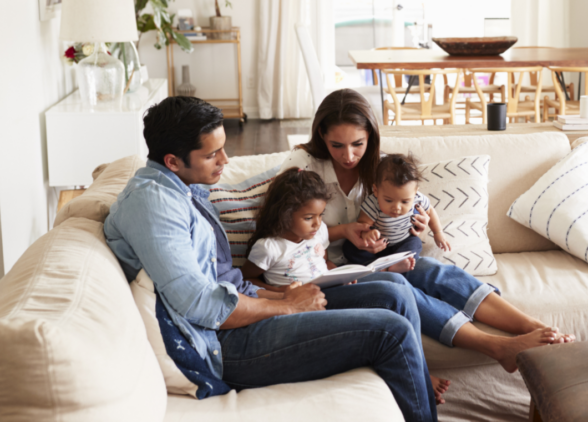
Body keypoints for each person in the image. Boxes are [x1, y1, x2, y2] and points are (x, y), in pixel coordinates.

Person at [103, 96, 437, 421]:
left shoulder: (183, 188)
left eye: (222, 148)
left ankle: (417, 382)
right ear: (173, 161)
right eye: (212, 154)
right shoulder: (153, 205)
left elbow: (225, 280)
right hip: (224, 344)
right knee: (390, 332)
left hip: (244, 310)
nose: (225, 160)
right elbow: (201, 304)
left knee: (393, 288)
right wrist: (288, 305)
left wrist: (283, 293)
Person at [272, 89, 575, 373]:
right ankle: (498, 347)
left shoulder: (380, 169)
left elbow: (411, 207)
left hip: (377, 258)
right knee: (402, 289)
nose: (349, 156)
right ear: (321, 134)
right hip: (329, 271)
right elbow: (283, 226)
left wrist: (415, 227)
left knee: (433, 270)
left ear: (371, 137)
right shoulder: (303, 164)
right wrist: (344, 231)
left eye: (358, 144)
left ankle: (532, 326)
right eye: (337, 145)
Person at [239, 167, 451, 402]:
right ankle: (417, 376)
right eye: (309, 218)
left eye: (320, 216)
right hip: (303, 305)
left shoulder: (317, 232)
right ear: (284, 214)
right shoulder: (269, 247)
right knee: (390, 306)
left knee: (397, 284)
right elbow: (246, 279)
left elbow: (323, 260)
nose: (317, 224)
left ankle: (418, 370)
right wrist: (280, 293)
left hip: (331, 289)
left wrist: (335, 272)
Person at [342, 153, 449, 270]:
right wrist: (367, 234)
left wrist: (438, 232)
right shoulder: (373, 203)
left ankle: (398, 263)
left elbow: (430, 211)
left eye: (405, 202)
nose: (397, 207)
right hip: (376, 247)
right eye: (388, 200)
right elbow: (362, 224)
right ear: (376, 190)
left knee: (415, 243)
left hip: (402, 242)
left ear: (415, 192)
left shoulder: (418, 199)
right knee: (349, 247)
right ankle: (377, 266)